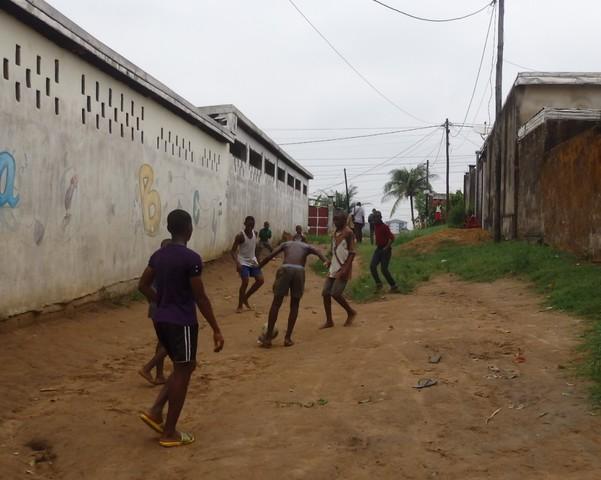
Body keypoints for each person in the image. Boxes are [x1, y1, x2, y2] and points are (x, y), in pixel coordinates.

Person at [138, 209, 224, 448]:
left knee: (184, 367)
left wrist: (160, 300)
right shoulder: (191, 259)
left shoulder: (158, 255)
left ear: (169, 229)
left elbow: (142, 285)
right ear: (189, 229)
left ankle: (156, 411)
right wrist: (216, 328)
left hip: (161, 319)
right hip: (182, 321)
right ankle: (169, 432)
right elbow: (200, 297)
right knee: (183, 372)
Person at [257, 241, 329, 347]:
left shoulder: (286, 244)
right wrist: (325, 261)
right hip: (299, 271)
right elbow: (318, 251)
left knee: (276, 303)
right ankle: (288, 339)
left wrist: (258, 267)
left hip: (286, 268)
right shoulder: (306, 246)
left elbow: (269, 256)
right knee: (295, 305)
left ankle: (267, 339)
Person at [138, 238, 171, 386]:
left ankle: (159, 375)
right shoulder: (171, 267)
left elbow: (143, 286)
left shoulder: (155, 264)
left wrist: (153, 302)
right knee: (172, 342)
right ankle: (147, 368)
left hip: (155, 306)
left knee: (162, 341)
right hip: (166, 306)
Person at [321, 210, 357, 328]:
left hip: (343, 267)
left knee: (336, 293)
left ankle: (351, 312)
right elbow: (334, 250)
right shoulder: (334, 233)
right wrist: (329, 261)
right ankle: (329, 321)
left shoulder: (349, 233)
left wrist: (345, 269)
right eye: (334, 219)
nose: (335, 222)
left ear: (344, 220)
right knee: (325, 293)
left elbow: (352, 253)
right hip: (333, 267)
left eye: (338, 219)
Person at [231, 216, 265, 313]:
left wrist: (258, 260)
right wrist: (237, 263)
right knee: (245, 282)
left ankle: (245, 297)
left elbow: (254, 247)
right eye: (249, 224)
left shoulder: (255, 233)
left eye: (252, 225)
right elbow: (232, 251)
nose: (250, 226)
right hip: (243, 261)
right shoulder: (240, 236)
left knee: (260, 280)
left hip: (253, 261)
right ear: (245, 224)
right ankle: (240, 305)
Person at [370, 212, 399, 293]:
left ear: (380, 218)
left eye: (376, 218)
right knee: (372, 266)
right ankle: (379, 284)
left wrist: (386, 247)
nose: (374, 219)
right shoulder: (375, 226)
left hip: (385, 250)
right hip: (378, 249)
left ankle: (394, 286)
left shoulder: (384, 227)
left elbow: (392, 238)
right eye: (374, 218)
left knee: (384, 269)